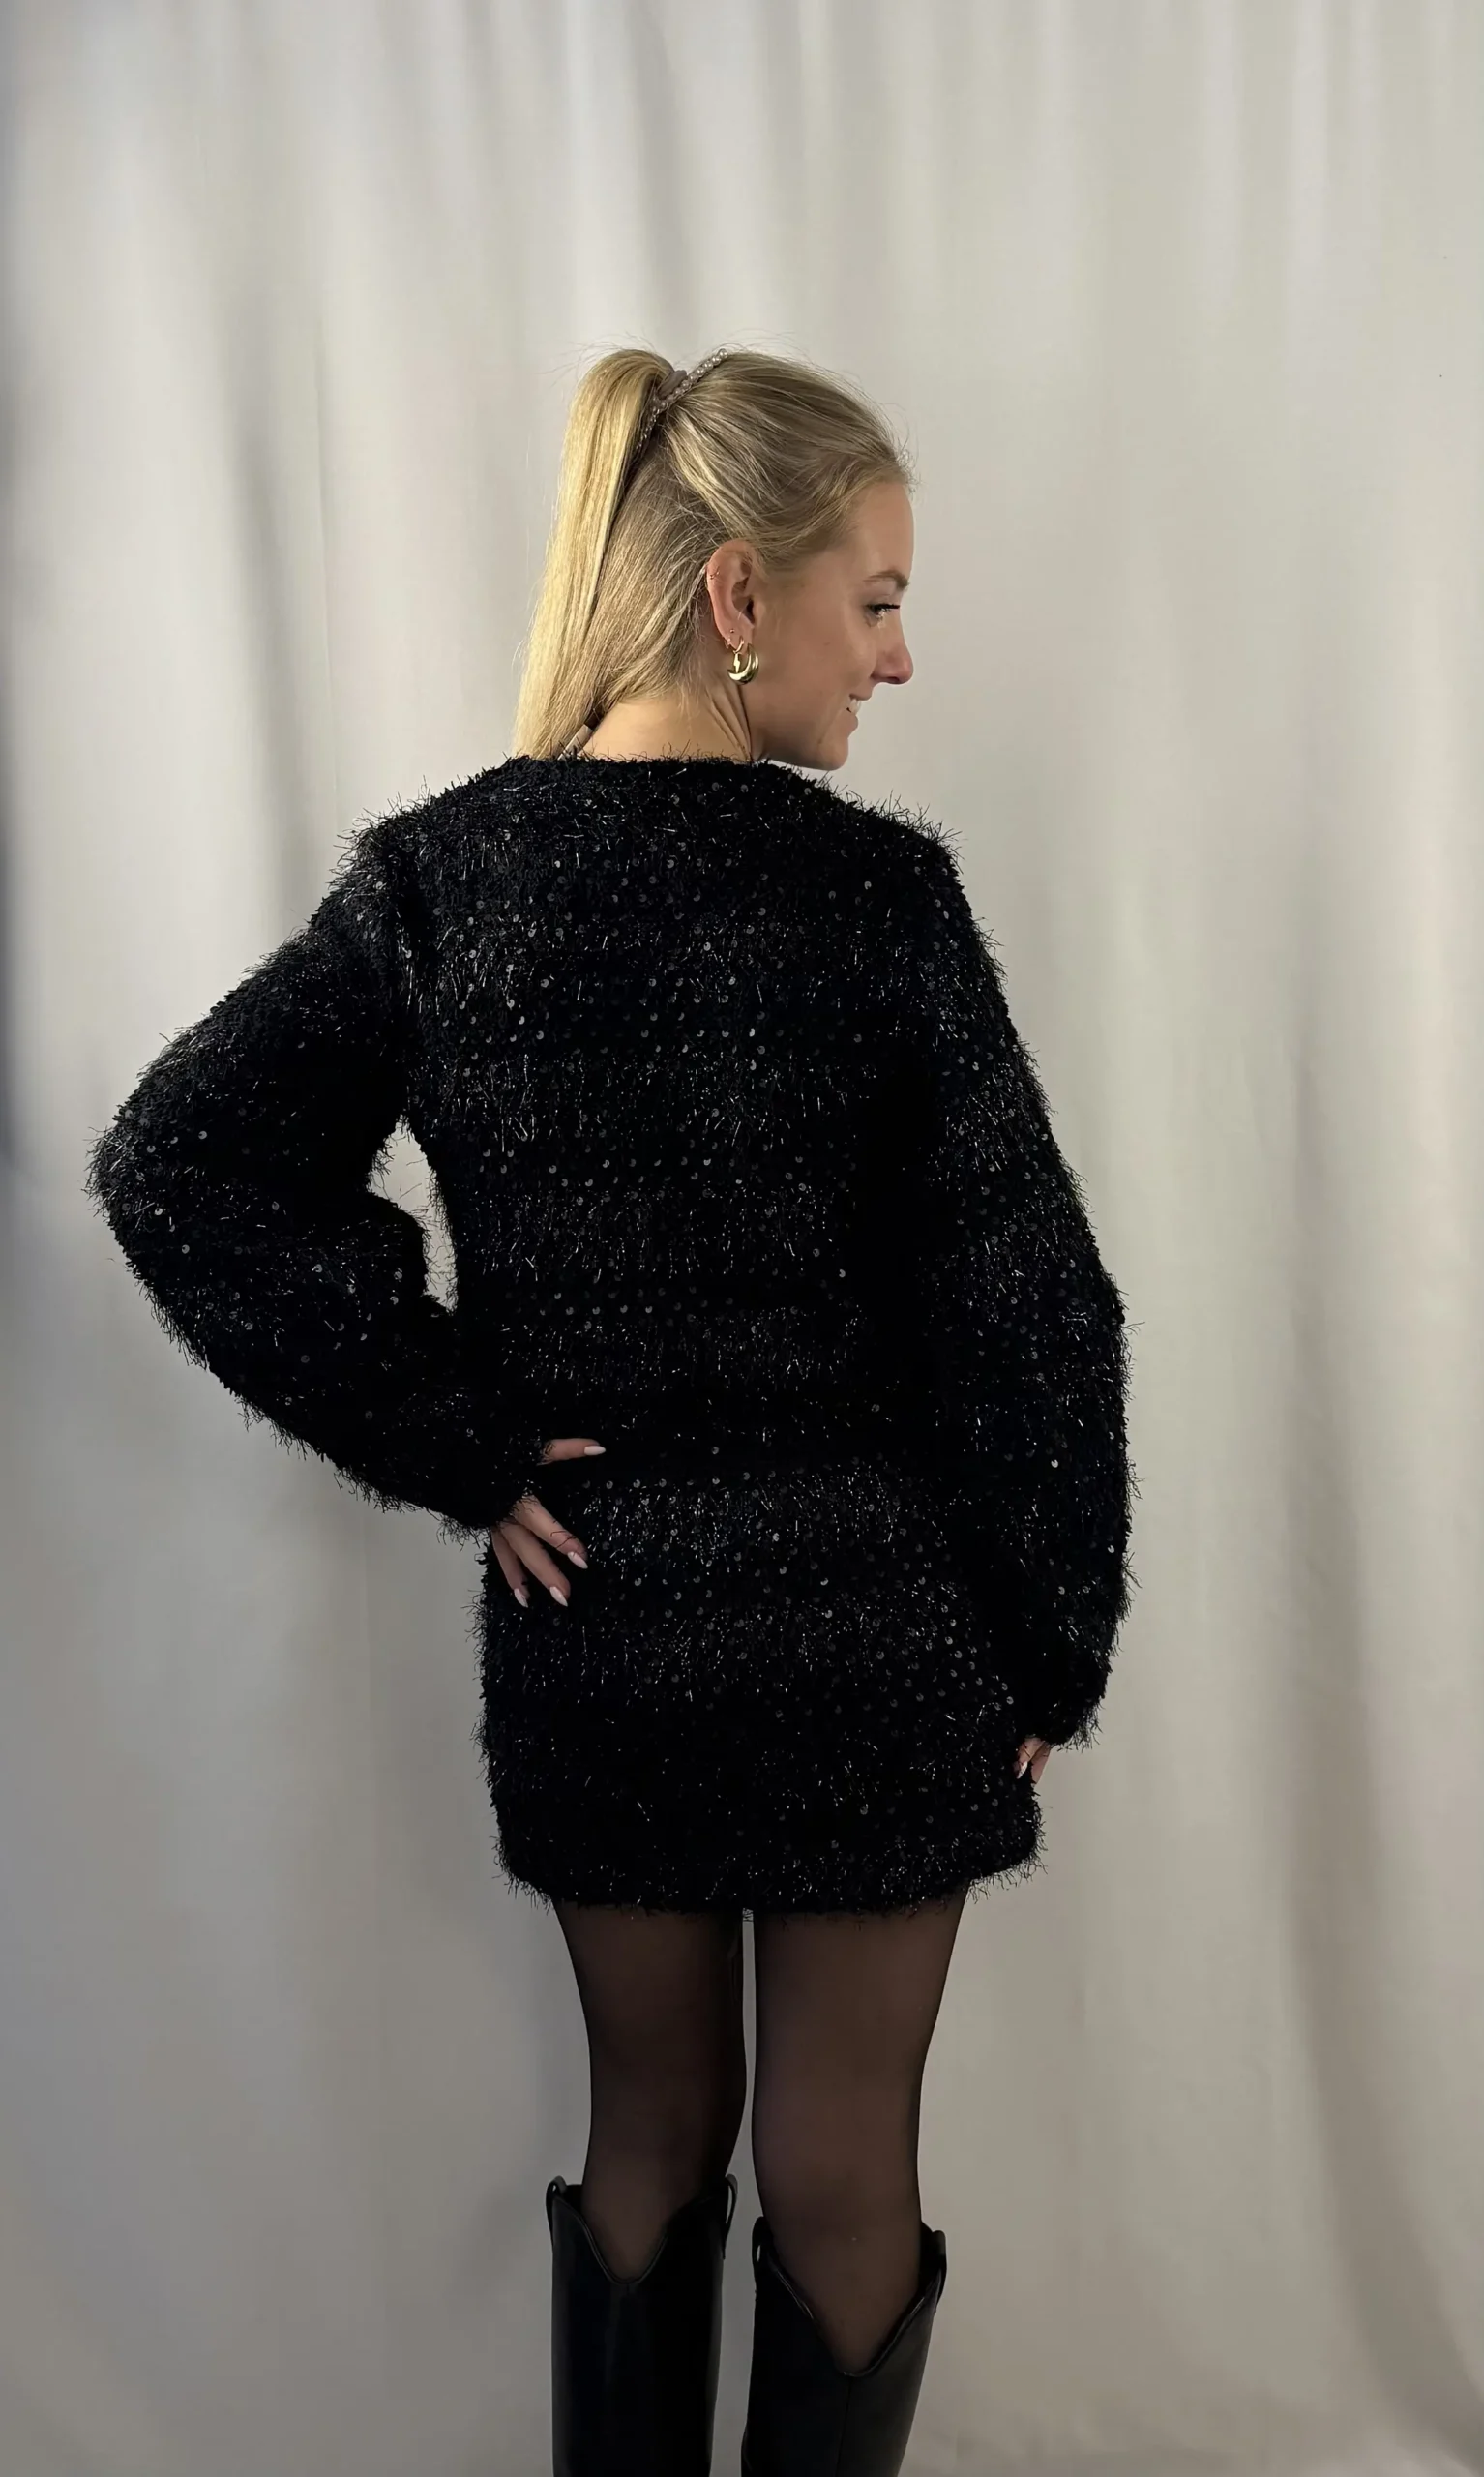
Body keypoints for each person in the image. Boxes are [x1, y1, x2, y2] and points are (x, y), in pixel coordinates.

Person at [84, 344, 1135, 2477]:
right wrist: (1047, 1625)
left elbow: (180, 1163)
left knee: (649, 2130)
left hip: (606, 1620)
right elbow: (1025, 1295)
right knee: (842, 2164)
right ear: (738, 592)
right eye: (875, 600)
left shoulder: (443, 885)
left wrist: (459, 1433)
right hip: (873, 1637)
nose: (899, 657)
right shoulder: (877, 900)